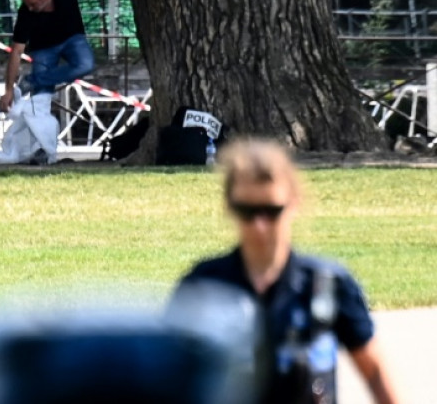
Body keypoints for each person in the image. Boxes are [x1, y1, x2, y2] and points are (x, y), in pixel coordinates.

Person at [169, 139, 399, 404]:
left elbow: (374, 370)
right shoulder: (204, 285)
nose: (259, 225)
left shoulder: (327, 284)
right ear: (230, 207)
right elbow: (170, 377)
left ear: (293, 204)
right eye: (248, 211)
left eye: (271, 211)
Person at [0, 0, 137, 165]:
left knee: (85, 63)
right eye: (27, 4)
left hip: (72, 39)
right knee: (40, 102)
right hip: (43, 49)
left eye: (34, 4)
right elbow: (16, 52)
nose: (30, 9)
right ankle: (42, 149)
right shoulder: (26, 14)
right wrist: (9, 89)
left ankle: (33, 81)